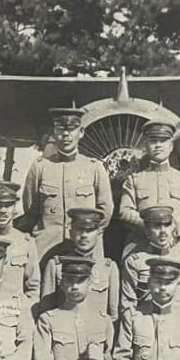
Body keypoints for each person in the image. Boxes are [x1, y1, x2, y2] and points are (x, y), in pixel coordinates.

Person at [20, 107, 112, 264]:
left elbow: (106, 211)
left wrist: (87, 234)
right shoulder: (40, 167)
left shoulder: (94, 167)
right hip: (46, 247)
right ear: (54, 133)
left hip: (86, 249)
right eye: (60, 129)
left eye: (72, 129)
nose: (66, 135)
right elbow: (30, 209)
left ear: (81, 132)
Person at [117, 120, 180, 252]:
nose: (158, 146)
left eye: (163, 141)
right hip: (142, 246)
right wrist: (150, 229)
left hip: (177, 245)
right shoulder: (133, 180)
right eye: (153, 141)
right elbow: (125, 211)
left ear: (171, 146)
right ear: (146, 146)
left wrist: (173, 229)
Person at [39, 208, 119, 321]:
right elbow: (45, 312)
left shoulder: (108, 268)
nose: (84, 235)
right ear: (71, 233)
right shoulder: (56, 266)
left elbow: (113, 316)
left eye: (89, 230)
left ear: (99, 233)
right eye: (79, 230)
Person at [120, 206, 180, 313]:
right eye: (156, 226)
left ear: (173, 227)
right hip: (147, 324)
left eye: (167, 225)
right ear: (147, 230)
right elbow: (128, 304)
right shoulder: (134, 262)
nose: (163, 231)